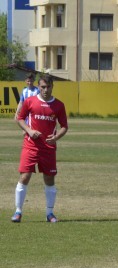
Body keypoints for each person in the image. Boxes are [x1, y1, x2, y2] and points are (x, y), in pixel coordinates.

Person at [12, 74, 68, 223]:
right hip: (30, 145)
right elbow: (19, 119)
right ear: (38, 87)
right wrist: (29, 131)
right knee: (25, 176)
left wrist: (56, 138)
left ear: (52, 87)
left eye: (48, 86)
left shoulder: (59, 105)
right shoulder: (30, 101)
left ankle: (50, 213)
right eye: (42, 87)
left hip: (48, 148)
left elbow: (64, 127)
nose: (45, 90)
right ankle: (18, 211)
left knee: (49, 179)